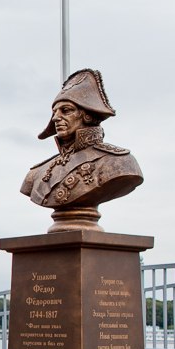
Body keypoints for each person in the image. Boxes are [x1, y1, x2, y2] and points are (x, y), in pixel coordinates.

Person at [20, 69, 142, 231]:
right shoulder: (36, 174)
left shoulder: (121, 162)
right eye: (54, 112)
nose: (56, 117)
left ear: (87, 116)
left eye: (66, 110)